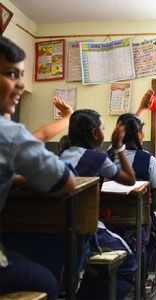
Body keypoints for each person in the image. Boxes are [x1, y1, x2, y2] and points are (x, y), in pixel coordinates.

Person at [0, 36, 75, 299]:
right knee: (47, 281)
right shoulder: (8, 133)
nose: (21, 84)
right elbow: (67, 183)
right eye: (11, 74)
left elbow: (35, 136)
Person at [60, 109, 136, 300]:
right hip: (83, 230)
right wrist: (118, 146)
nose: (104, 131)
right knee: (129, 261)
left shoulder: (61, 155)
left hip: (57, 227)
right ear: (95, 134)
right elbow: (129, 179)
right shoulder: (97, 158)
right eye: (102, 127)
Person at [109, 112, 156, 284]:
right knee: (155, 232)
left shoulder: (107, 156)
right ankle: (141, 277)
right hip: (137, 223)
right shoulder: (148, 160)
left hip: (108, 219)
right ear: (139, 135)